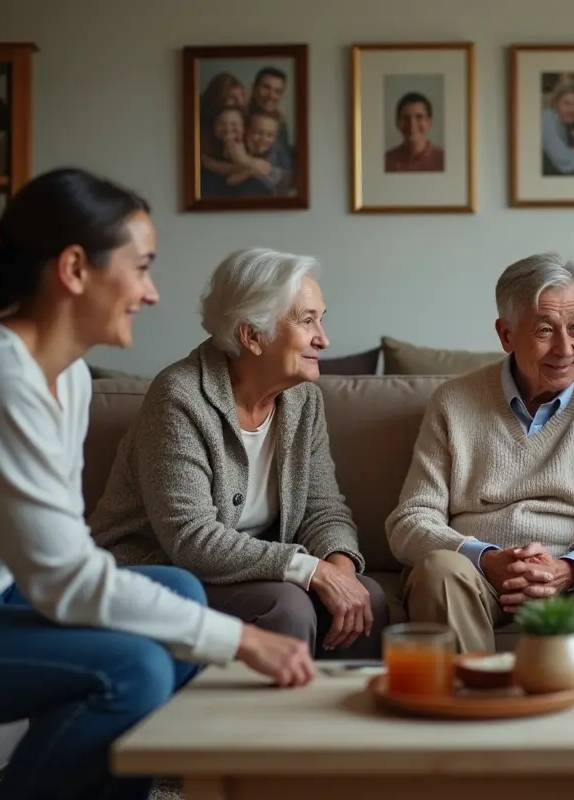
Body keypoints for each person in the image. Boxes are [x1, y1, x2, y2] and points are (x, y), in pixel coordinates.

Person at [0, 168, 313, 800]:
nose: (151, 293)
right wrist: (244, 640)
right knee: (134, 664)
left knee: (175, 591)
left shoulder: (65, 377)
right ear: (73, 270)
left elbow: (64, 559)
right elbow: (63, 581)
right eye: (141, 267)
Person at [91, 248, 388, 659]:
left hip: (249, 569)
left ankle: (346, 722)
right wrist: (312, 571)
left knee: (367, 598)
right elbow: (191, 539)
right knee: (285, 606)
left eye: (322, 318)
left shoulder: (303, 401)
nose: (324, 338)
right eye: (307, 321)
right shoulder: (180, 397)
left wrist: (340, 570)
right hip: (163, 571)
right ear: (252, 335)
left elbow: (323, 509)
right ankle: (273, 724)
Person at [385, 253, 574, 657]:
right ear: (506, 334)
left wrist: (567, 568)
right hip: (478, 577)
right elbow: (410, 521)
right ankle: (471, 706)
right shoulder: (453, 402)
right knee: (439, 570)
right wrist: (486, 559)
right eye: (545, 329)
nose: (565, 348)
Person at [384, 92, 445, 172]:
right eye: (405, 117)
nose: (412, 124)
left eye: (419, 117)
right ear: (397, 122)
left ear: (429, 123)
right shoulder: (386, 161)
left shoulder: (443, 160)